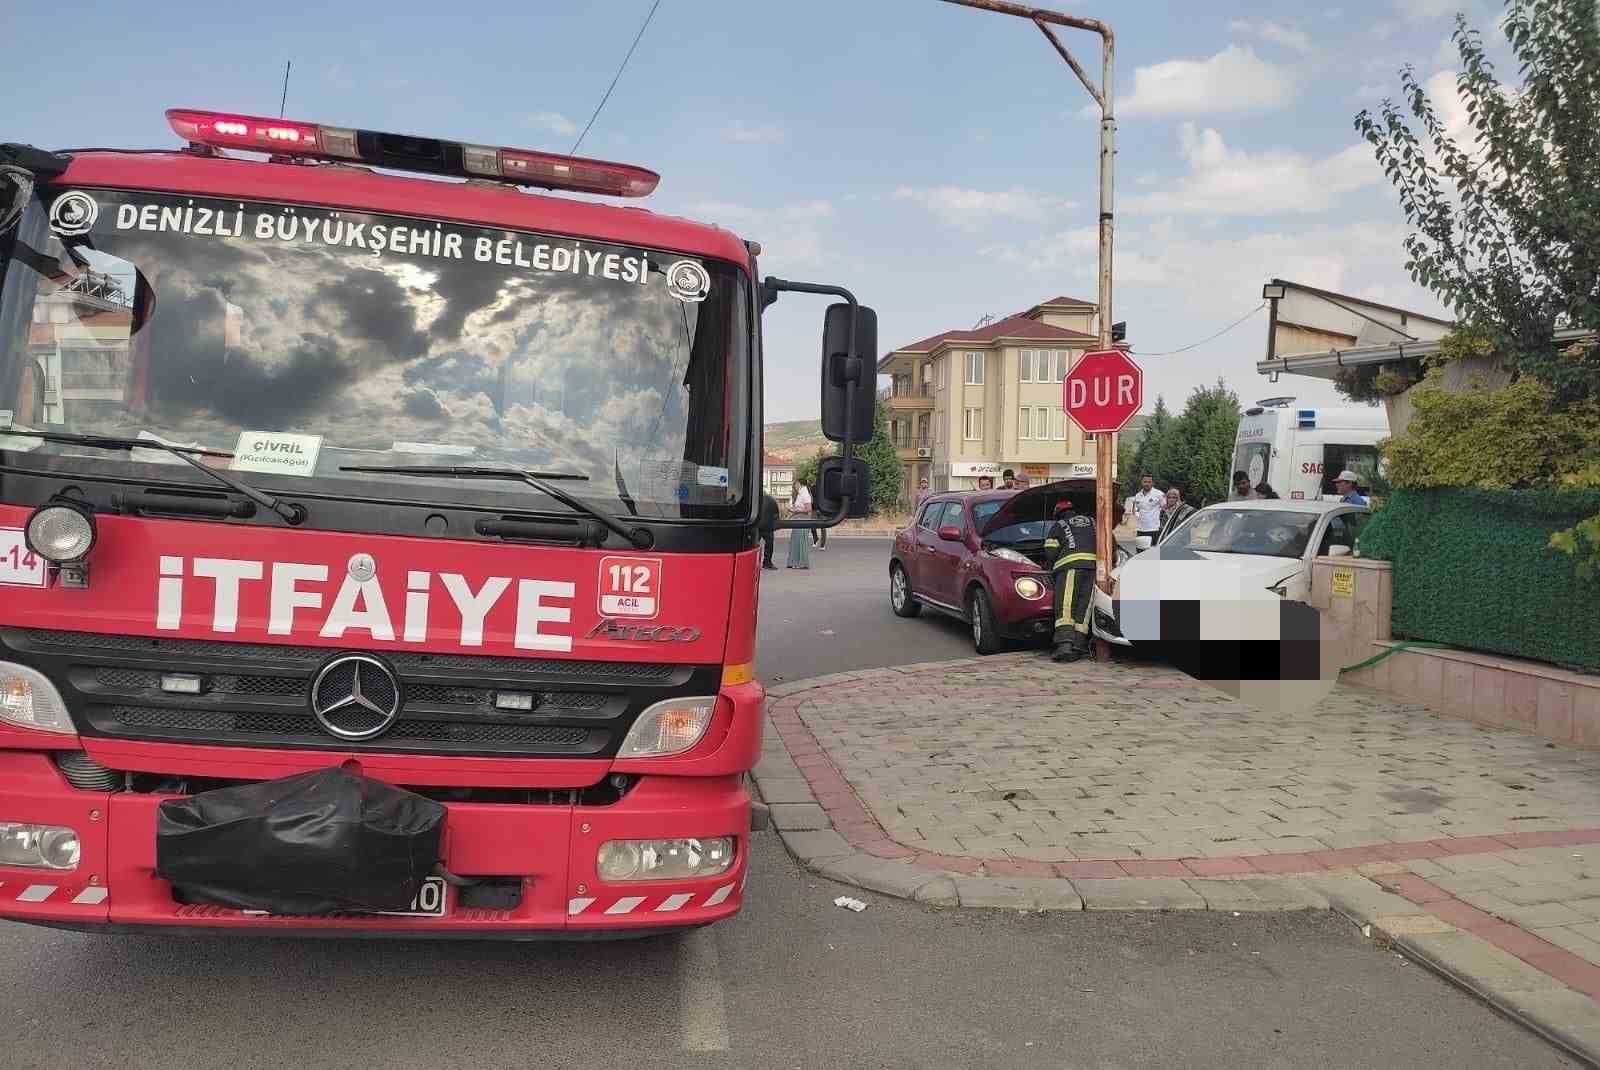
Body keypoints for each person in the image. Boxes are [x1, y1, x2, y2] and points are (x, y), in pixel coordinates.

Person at [1044, 498, 1097, 662]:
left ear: (1058, 514)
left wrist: (1050, 566)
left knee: (1066, 606)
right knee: (1084, 607)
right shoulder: (1093, 521)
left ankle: (1064, 646)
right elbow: (1110, 541)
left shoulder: (1059, 525)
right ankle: (1079, 646)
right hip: (1093, 568)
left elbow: (1051, 551)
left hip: (1069, 567)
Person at [1129, 474, 1165, 546]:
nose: (1147, 484)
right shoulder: (1138, 495)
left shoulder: (1159, 494)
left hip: (1154, 530)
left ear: (1153, 483)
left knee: (1153, 554)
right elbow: (1136, 511)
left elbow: (1165, 508)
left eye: (1149, 482)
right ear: (1142, 482)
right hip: (1140, 530)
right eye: (1145, 482)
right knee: (1140, 553)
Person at [787, 483, 812, 569]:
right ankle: (794, 562)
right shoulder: (800, 494)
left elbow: (808, 509)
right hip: (798, 520)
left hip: (802, 521)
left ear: (800, 484)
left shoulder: (805, 494)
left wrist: (796, 510)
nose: (795, 486)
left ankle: (801, 563)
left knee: (800, 541)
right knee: (795, 541)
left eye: (796, 484)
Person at [759, 492, 780, 570]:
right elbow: (776, 515)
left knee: (753, 545)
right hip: (768, 527)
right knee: (769, 545)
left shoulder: (756, 500)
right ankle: (767, 562)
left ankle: (753, 563)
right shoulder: (772, 500)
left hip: (757, 526)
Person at [806, 482, 828, 550]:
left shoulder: (824, 488)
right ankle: (816, 539)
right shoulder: (811, 488)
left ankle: (822, 545)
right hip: (814, 510)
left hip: (822, 510)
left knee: (823, 528)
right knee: (812, 526)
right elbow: (810, 498)